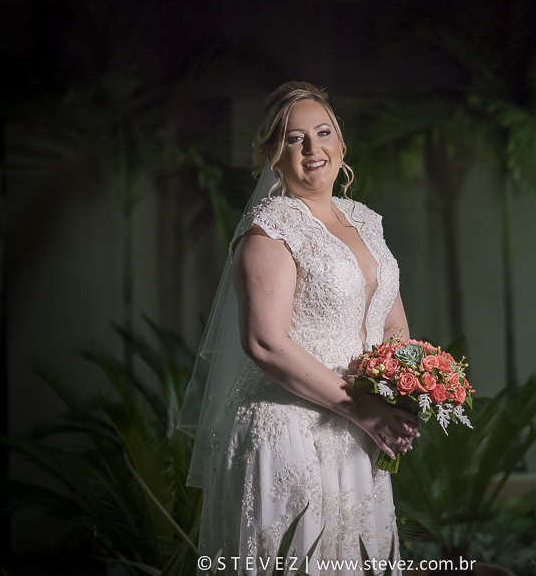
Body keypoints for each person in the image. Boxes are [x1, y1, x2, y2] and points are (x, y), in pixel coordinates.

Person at [179, 81, 419, 574]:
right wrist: (365, 410)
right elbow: (264, 343)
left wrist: (405, 391)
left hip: (358, 432)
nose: (313, 148)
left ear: (342, 144)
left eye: (323, 132)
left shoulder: (364, 221)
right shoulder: (270, 230)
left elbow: (392, 320)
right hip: (289, 434)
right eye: (294, 138)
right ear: (272, 155)